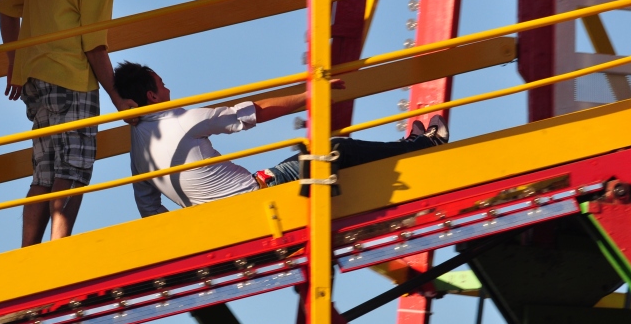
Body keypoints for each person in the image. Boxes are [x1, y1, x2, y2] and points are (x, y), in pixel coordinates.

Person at [112, 61, 448, 217]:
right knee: (332, 150)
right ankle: (423, 146)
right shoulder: (180, 119)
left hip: (216, 224)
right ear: (152, 95)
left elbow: (150, 210)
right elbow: (252, 112)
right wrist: (311, 95)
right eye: (163, 84)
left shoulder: (137, 152)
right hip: (258, 198)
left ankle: (407, 146)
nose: (170, 90)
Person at [0, 0, 137, 246]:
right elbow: (93, 46)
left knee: (44, 173)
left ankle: (26, 255)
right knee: (73, 169)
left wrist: (15, 62)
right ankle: (58, 252)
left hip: (33, 81)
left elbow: (8, 10)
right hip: (71, 78)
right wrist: (119, 99)